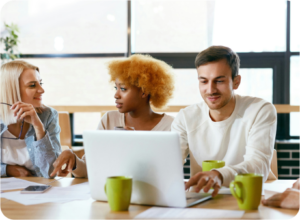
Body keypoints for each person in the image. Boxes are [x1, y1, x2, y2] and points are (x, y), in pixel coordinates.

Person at [171, 46, 277, 197]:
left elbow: (258, 165)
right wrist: (170, 181)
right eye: (204, 81)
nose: (210, 90)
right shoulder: (186, 117)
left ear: (236, 82)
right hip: (203, 198)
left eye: (219, 81)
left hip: (246, 196)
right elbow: (170, 164)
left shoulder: (260, 110)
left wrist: (219, 175)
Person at [51, 54, 175, 178]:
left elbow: (168, 174)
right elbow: (89, 169)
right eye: (116, 88)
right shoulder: (109, 120)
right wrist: (73, 159)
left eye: (123, 89)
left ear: (144, 92)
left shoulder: (170, 126)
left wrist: (135, 146)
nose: (116, 95)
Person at [0, 60, 61, 178]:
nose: (42, 90)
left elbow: (51, 172)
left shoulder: (48, 115)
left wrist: (39, 127)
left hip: (37, 189)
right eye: (32, 85)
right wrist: (6, 170)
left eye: (40, 83)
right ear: (12, 90)